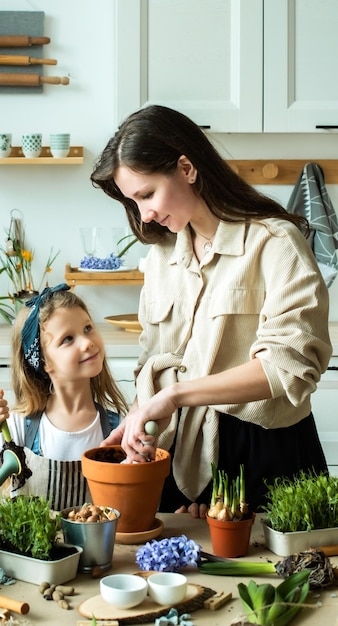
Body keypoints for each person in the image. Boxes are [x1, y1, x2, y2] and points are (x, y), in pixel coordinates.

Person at [90, 104, 332, 518]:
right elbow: (152, 358)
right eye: (134, 201)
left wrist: (174, 395)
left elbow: (287, 368)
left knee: (281, 579)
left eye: (147, 194)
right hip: (176, 448)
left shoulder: (275, 243)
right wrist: (137, 422)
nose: (145, 213)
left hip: (265, 455)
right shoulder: (162, 256)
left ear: (186, 167)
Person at [0, 284, 128, 511]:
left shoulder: (117, 430)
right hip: (28, 548)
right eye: (67, 339)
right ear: (43, 362)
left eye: (87, 328)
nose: (88, 342)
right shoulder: (20, 427)